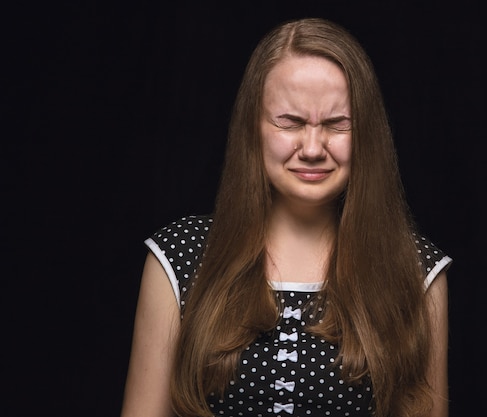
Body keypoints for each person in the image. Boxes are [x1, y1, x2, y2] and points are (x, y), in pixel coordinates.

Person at [121, 17, 452, 417]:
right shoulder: (181, 257)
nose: (312, 147)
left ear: (366, 133)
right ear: (253, 127)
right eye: (290, 122)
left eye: (336, 125)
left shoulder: (416, 271)